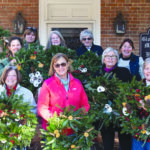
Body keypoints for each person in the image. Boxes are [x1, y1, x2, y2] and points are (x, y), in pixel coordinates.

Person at [37, 53, 90, 131]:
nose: (60, 67)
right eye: (57, 65)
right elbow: (42, 108)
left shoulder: (77, 83)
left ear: (68, 65)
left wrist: (77, 118)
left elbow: (85, 105)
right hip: (54, 129)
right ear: (53, 67)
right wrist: (55, 120)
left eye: (63, 64)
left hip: (74, 129)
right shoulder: (48, 84)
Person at [99, 47, 132, 150]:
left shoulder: (124, 72)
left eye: (113, 56)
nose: (110, 58)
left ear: (117, 59)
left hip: (122, 111)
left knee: (125, 142)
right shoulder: (98, 74)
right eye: (108, 56)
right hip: (106, 113)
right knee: (108, 143)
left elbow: (130, 89)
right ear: (103, 59)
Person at [0, 66, 37, 150]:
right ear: (4, 77)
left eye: (13, 75)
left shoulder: (26, 93)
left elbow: (34, 111)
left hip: (19, 135)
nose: (11, 78)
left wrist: (26, 119)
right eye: (8, 75)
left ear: (18, 77)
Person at [131, 58, 150, 150]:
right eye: (147, 68)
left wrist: (145, 106)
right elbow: (130, 105)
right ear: (143, 70)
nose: (149, 71)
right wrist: (136, 106)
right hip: (138, 129)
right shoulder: (137, 87)